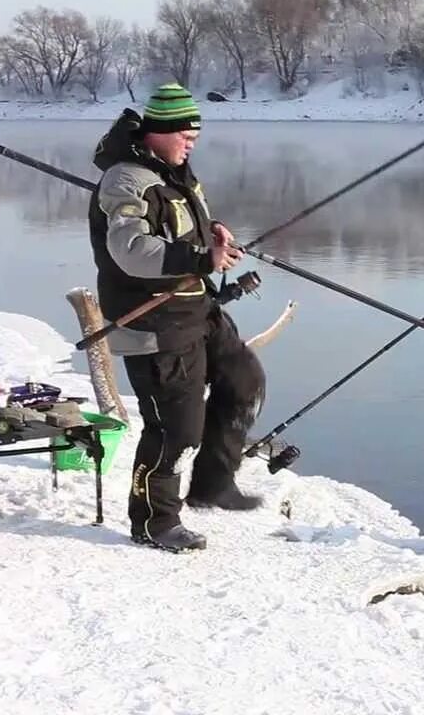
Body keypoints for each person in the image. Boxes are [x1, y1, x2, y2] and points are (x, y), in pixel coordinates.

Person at [87, 83, 265, 553]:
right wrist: (203, 258)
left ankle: (212, 482)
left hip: (196, 309)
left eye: (196, 135)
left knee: (244, 381)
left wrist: (214, 231)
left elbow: (185, 222)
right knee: (174, 430)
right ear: (159, 131)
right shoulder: (126, 180)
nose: (193, 141)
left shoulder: (174, 171)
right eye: (187, 133)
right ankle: (155, 521)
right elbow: (131, 251)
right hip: (153, 326)